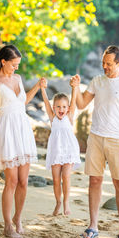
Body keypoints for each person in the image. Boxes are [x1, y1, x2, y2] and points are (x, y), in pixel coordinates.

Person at [70, 45, 119, 238]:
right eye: (103, 63)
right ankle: (93, 225)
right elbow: (80, 104)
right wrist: (76, 87)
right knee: (94, 181)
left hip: (117, 140)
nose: (105, 67)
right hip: (95, 138)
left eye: (109, 64)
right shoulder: (97, 81)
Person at [0, 44, 44, 238]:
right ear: (3, 61)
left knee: (24, 182)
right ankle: (8, 225)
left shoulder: (17, 78)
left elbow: (22, 103)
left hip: (23, 128)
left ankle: (18, 219)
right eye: (14, 64)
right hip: (7, 129)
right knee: (12, 180)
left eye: (18, 64)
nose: (16, 67)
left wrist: (37, 87)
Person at [40, 78, 81, 216]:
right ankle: (58, 202)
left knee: (66, 177)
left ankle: (66, 203)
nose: (61, 109)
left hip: (68, 150)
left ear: (68, 108)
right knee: (56, 179)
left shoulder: (69, 117)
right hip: (56, 151)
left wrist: (75, 87)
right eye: (58, 107)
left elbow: (74, 101)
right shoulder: (53, 118)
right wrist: (42, 88)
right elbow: (46, 102)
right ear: (54, 108)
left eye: (64, 107)